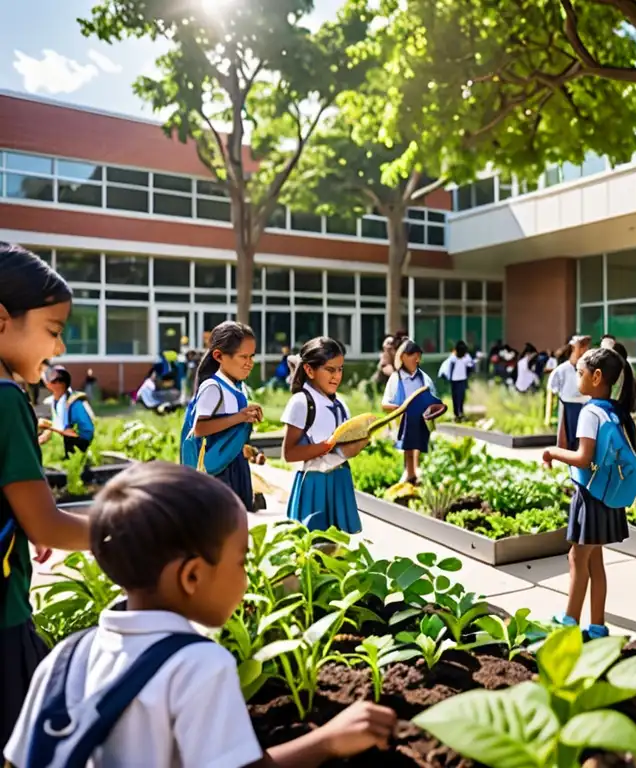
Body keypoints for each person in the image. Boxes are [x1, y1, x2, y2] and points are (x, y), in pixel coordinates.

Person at [4, 462, 396, 767]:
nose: (246, 578)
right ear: (192, 575)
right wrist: (329, 739)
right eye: (241, 563)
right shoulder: (198, 664)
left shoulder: (64, 656)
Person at [0, 242, 92, 746]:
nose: (58, 350)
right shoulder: (7, 398)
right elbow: (49, 526)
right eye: (53, 332)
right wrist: (137, 529)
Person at [542, 347, 635, 640]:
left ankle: (568, 621)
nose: (577, 378)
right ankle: (597, 626)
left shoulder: (590, 412)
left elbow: (583, 457)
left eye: (579, 373)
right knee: (595, 561)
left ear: (596, 377)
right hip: (608, 495)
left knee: (576, 558)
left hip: (591, 494)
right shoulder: (614, 411)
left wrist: (552, 452)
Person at [282, 337, 369, 533]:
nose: (336, 376)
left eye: (340, 369)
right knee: (314, 542)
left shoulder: (341, 404)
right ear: (309, 370)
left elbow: (345, 446)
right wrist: (328, 446)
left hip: (340, 479)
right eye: (330, 370)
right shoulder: (301, 402)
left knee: (339, 547)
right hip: (315, 483)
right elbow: (290, 453)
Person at [180, 321, 263, 511]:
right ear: (219, 356)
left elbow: (229, 432)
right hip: (219, 471)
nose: (249, 363)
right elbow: (199, 428)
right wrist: (240, 417)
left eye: (252, 356)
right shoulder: (212, 388)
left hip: (234, 464)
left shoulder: (237, 387)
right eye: (243, 357)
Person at [382, 339, 437, 485]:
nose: (416, 360)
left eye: (418, 356)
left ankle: (414, 472)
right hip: (404, 419)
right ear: (403, 357)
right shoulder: (396, 378)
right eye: (413, 355)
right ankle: (409, 472)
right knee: (407, 445)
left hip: (420, 418)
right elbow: (385, 403)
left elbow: (434, 399)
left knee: (417, 443)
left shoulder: (424, 379)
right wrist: (399, 408)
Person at [39, 366, 95, 457]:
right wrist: (46, 433)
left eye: (52, 380)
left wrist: (48, 427)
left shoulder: (73, 404)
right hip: (68, 439)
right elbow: (58, 424)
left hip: (81, 442)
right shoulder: (55, 400)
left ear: (61, 384)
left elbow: (70, 432)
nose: (48, 382)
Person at [548, 335, 592, 451]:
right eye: (581, 347)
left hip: (585, 405)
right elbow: (553, 388)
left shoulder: (589, 369)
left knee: (583, 437)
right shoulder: (561, 369)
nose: (584, 351)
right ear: (573, 348)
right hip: (568, 406)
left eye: (585, 348)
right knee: (569, 438)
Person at [439, 340, 474, 421]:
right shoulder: (453, 357)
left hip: (462, 379)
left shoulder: (466, 357)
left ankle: (460, 413)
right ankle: (457, 414)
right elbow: (449, 368)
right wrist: (449, 378)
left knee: (461, 397)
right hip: (455, 380)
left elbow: (470, 366)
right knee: (456, 397)